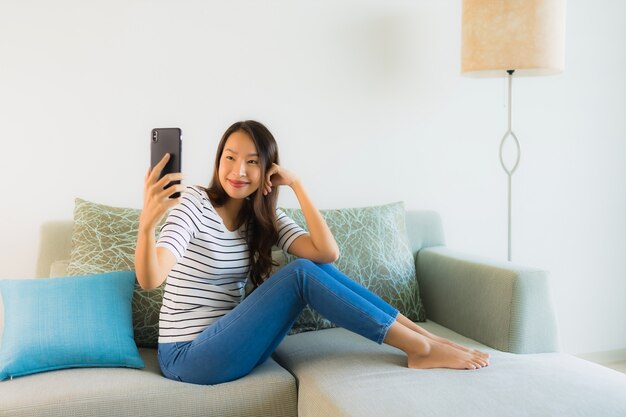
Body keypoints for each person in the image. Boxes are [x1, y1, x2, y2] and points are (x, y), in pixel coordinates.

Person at [135, 120, 490, 385]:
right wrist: (147, 224)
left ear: (268, 170)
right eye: (229, 158)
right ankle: (420, 349)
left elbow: (326, 253)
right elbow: (151, 278)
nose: (238, 171)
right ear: (218, 161)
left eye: (253, 162)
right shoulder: (193, 204)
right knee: (300, 274)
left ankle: (425, 339)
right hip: (188, 356)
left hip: (234, 345)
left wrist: (298, 185)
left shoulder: (262, 216)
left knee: (313, 267)